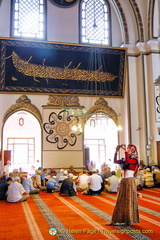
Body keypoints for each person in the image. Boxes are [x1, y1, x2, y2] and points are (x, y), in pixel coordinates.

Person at [107, 144, 139, 226]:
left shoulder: (134, 160)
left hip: (129, 181)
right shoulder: (125, 159)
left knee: (129, 201)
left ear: (133, 151)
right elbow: (115, 161)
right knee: (120, 200)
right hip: (123, 181)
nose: (128, 149)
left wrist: (124, 151)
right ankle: (115, 220)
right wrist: (116, 152)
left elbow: (128, 161)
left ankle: (129, 220)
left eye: (130, 148)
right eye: (128, 148)